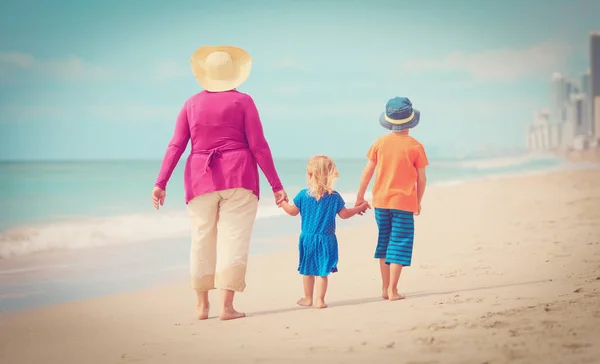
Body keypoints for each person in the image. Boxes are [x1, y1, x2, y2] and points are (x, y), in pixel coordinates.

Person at [151, 45, 287, 321]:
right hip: (240, 176)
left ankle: (202, 305)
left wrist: (161, 182)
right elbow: (259, 146)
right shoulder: (244, 101)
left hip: (200, 177)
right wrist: (276, 186)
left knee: (201, 239)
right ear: (234, 75)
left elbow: (176, 145)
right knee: (233, 239)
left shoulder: (191, 103)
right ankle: (227, 307)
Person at [355, 97, 428, 301]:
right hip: (403, 204)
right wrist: (418, 201)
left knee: (385, 242)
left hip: (381, 203)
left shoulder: (380, 143)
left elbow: (367, 172)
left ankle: (384, 288)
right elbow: (421, 179)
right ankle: (393, 290)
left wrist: (360, 197)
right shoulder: (416, 146)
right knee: (399, 243)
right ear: (411, 121)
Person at [279, 155, 370, 309]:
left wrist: (282, 202)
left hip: (307, 239)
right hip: (327, 239)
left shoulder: (303, 195)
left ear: (310, 175)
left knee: (307, 269)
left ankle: (308, 298)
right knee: (323, 271)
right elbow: (345, 214)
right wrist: (360, 208)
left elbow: (292, 211)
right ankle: (319, 300)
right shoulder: (334, 197)